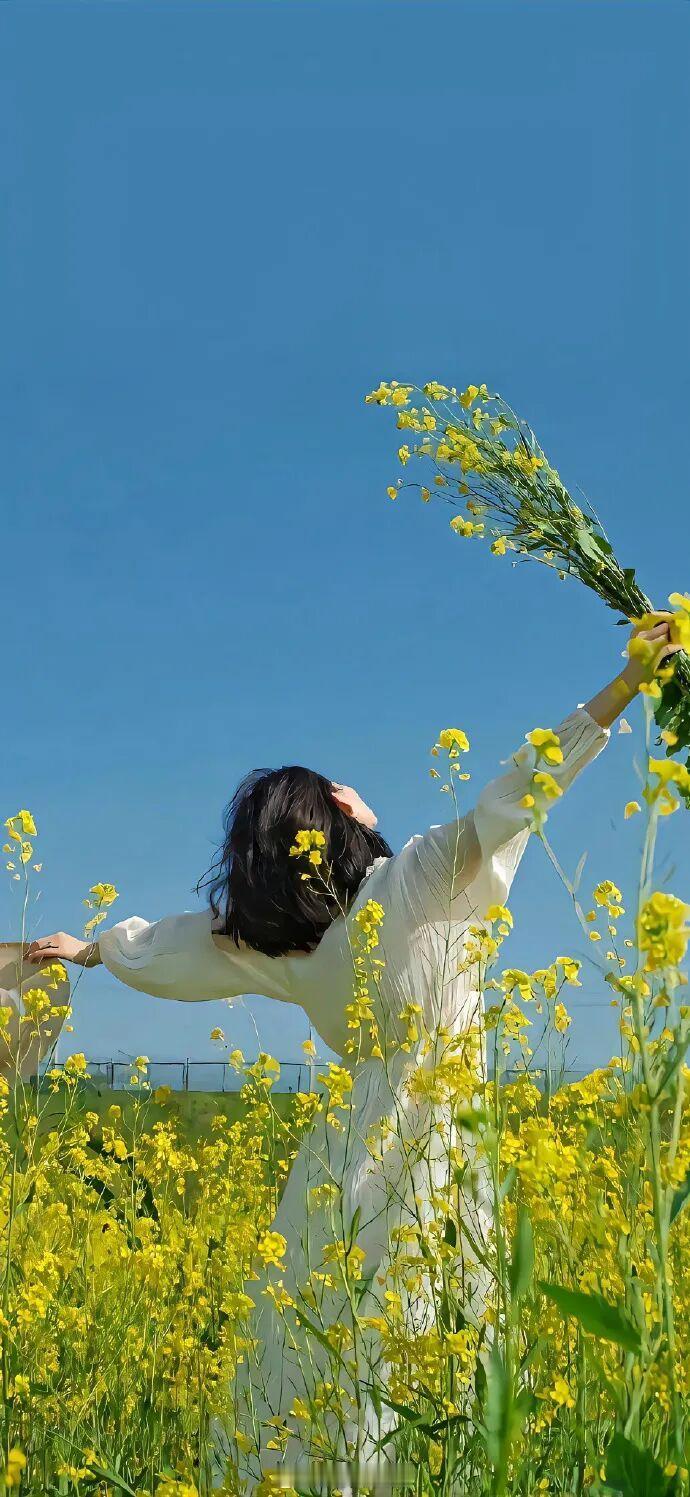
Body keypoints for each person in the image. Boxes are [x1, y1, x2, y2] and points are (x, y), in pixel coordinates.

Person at [26, 620, 679, 1485]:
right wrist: (628, 683)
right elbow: (520, 790)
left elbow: (181, 944)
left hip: (338, 1176)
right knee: (433, 1379)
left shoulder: (283, 950)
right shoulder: (415, 875)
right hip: (436, 1157)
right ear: (339, 820)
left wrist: (97, 951)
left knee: (322, 1379)